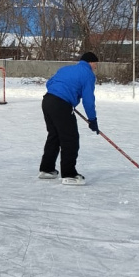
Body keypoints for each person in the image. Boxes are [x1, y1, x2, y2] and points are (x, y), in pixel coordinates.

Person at [39, 51, 100, 186]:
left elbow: (50, 83)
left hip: (47, 101)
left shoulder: (66, 68)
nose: (96, 67)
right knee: (70, 138)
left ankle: (46, 169)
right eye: (96, 63)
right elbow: (88, 100)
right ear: (91, 62)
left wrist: (64, 96)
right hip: (61, 105)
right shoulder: (88, 75)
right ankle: (69, 174)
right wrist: (92, 119)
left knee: (54, 135)